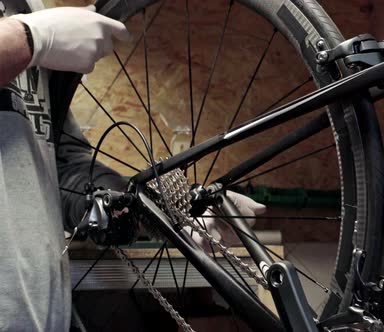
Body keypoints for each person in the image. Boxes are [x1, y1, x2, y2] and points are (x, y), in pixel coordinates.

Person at [0, 1, 265, 330]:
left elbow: (64, 170)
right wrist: (27, 37)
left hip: (40, 316)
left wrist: (164, 207)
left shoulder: (26, 5)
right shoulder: (28, 25)